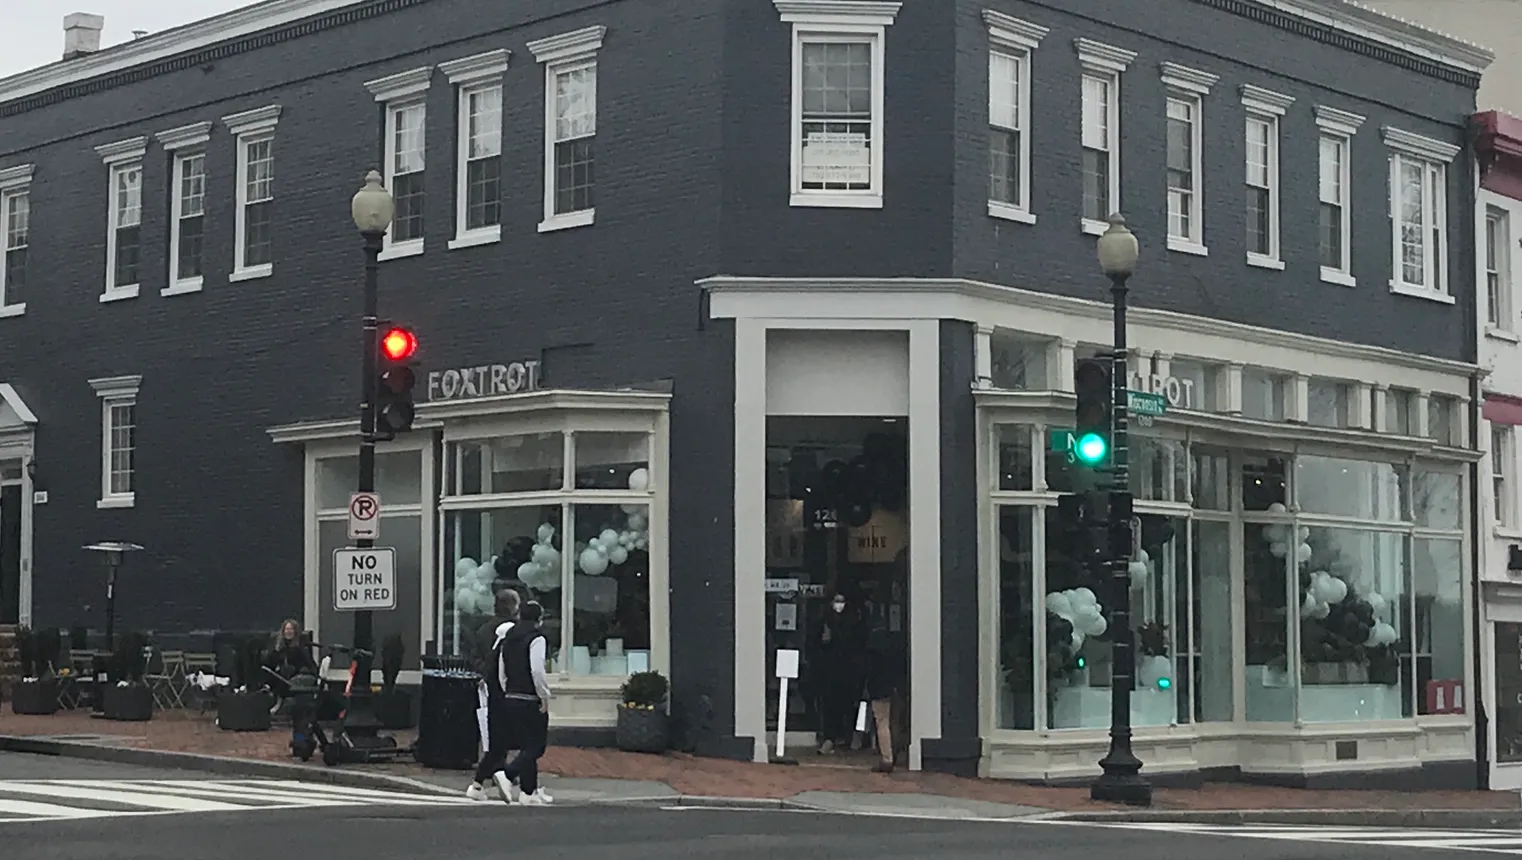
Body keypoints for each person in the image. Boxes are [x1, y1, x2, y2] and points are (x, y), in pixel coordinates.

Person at [492, 600, 553, 805]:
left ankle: (528, 791)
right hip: (529, 697)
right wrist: (544, 696)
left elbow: (502, 669)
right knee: (536, 747)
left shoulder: (508, 638)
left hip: (511, 696)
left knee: (525, 747)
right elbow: (537, 669)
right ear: (539, 619)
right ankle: (507, 774)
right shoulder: (537, 639)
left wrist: (506, 689)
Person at [466, 590, 520, 802]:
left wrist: (485, 672)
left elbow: (474, 657)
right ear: (513, 607)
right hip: (509, 689)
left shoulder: (483, 630)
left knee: (496, 735)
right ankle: (502, 773)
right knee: (520, 738)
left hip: (490, 687)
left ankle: (496, 772)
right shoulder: (513, 631)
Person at [812, 589, 863, 755]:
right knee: (829, 705)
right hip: (828, 670)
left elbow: (857, 643)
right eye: (836, 601)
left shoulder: (854, 621)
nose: (839, 605)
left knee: (849, 705)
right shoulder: (824, 621)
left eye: (842, 601)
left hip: (849, 670)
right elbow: (815, 643)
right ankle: (830, 738)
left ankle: (850, 736)